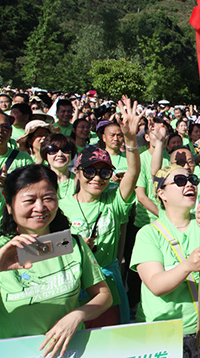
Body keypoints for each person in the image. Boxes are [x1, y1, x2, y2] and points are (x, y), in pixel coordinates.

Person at [0, 165, 111, 357]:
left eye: (48, 198)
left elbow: (103, 296)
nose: (40, 208)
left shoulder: (72, 244)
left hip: (65, 351)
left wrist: (78, 315)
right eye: (29, 200)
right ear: (9, 206)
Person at [130, 164, 200, 358]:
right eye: (180, 181)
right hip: (163, 335)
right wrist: (187, 266)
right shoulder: (148, 234)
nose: (189, 184)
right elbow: (156, 285)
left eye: (192, 179)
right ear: (162, 194)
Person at [58, 96, 141, 326]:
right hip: (73, 283)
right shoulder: (62, 206)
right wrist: (76, 248)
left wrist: (130, 139)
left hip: (108, 283)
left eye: (104, 172)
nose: (97, 178)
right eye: (90, 171)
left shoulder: (113, 200)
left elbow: (133, 172)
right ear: (77, 172)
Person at [0, 107, 35, 187]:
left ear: (11, 131)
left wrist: (10, 186)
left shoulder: (24, 160)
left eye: (5, 127)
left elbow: (32, 188)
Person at [41, 133, 78, 199]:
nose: (60, 154)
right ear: (45, 154)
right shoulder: (40, 181)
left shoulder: (79, 181)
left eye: (65, 149)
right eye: (53, 150)